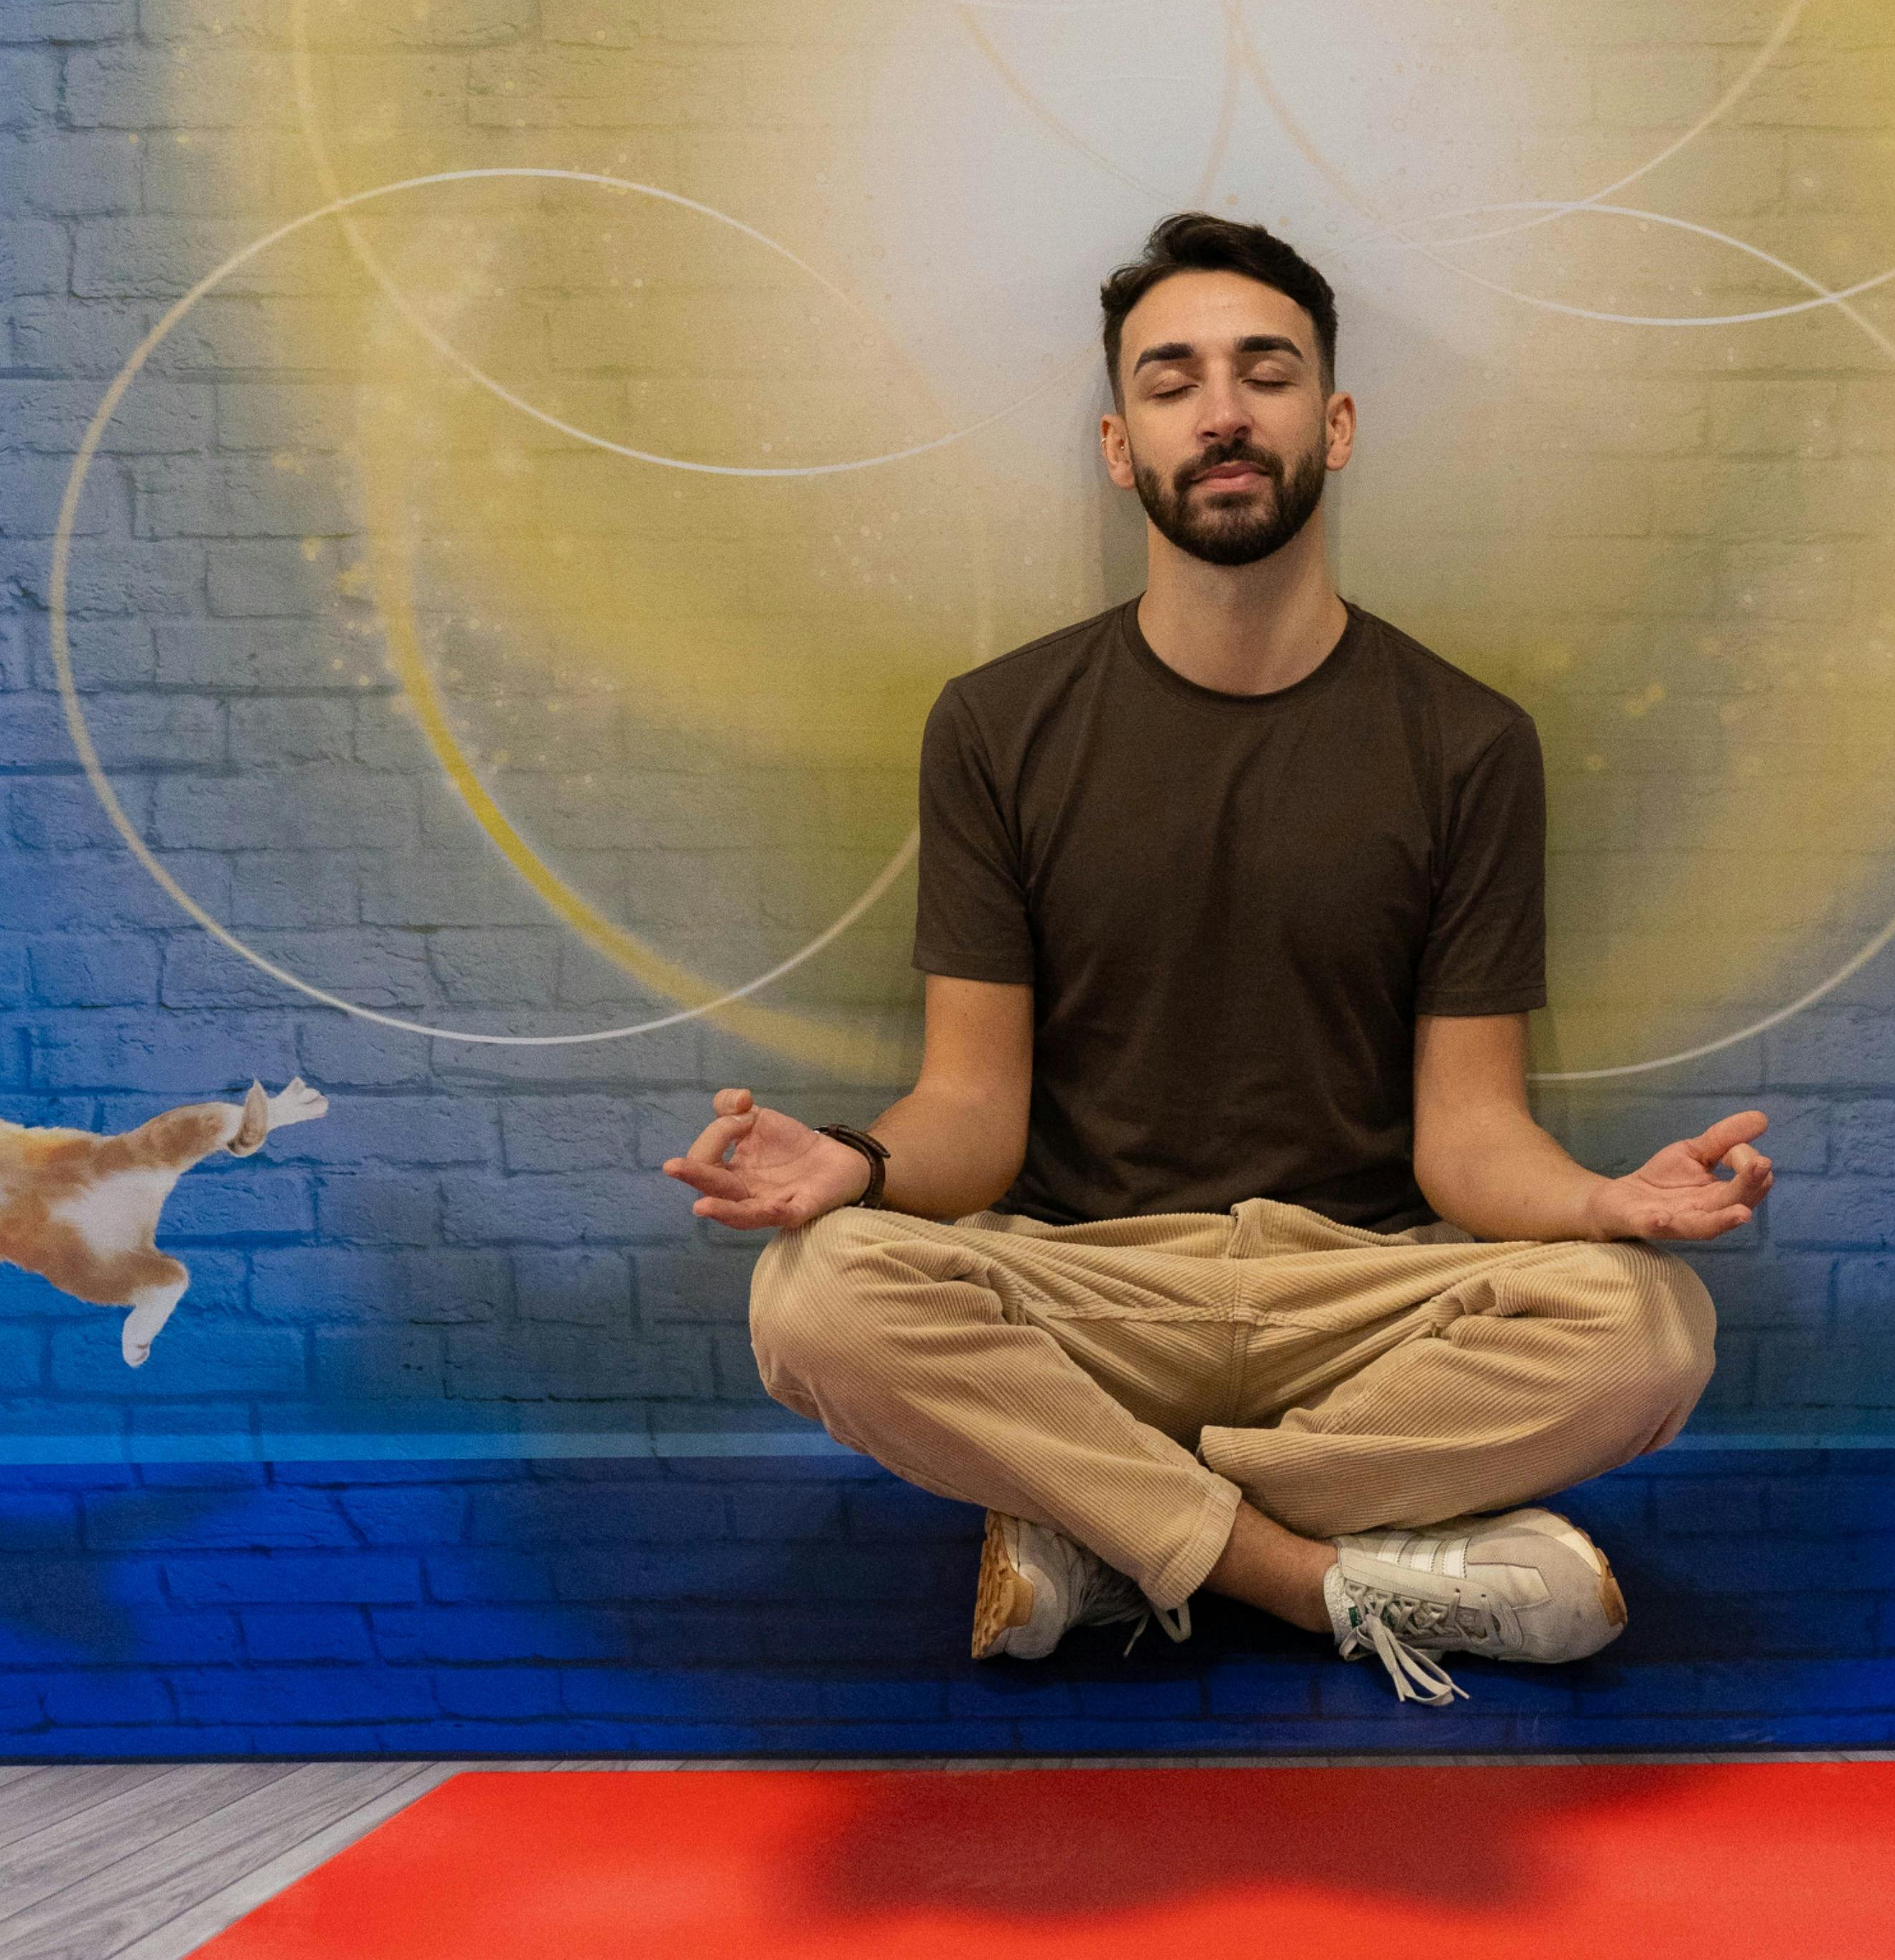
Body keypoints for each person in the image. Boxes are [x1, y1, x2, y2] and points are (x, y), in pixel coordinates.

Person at [663, 212, 1772, 1708]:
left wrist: (1601, 1203)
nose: (1224, 411)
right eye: (1173, 381)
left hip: (1358, 1297)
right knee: (812, 1295)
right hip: (1089, 1288)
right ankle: (1307, 1579)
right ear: (1120, 447)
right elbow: (972, 1116)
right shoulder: (996, 726)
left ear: (1335, 423)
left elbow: (1466, 1135)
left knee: (1650, 1327)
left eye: (1266, 371)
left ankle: (1108, 1532)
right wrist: (855, 1166)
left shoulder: (1467, 742)